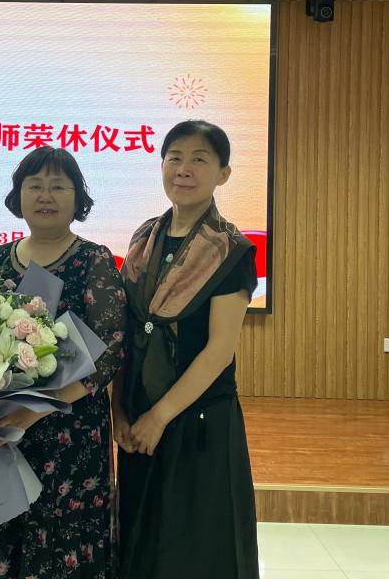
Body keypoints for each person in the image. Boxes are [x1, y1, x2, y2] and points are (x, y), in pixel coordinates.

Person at [0, 146, 126, 579]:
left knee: (61, 543)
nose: (45, 195)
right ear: (18, 195)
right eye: (34, 185)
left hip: (69, 434)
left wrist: (33, 411)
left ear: (77, 198)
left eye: (58, 187)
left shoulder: (94, 260)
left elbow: (110, 350)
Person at [114, 119, 259, 579]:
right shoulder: (144, 238)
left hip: (197, 418)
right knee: (140, 538)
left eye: (199, 159)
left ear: (223, 173)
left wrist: (160, 416)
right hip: (139, 413)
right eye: (174, 157)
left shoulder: (231, 250)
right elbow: (128, 331)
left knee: (196, 548)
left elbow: (219, 350)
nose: (184, 168)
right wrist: (119, 411)